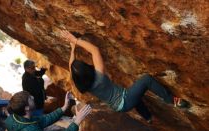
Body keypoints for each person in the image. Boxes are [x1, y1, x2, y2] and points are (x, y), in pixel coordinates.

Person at [60, 30, 189, 123]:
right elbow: (95, 50)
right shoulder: (99, 76)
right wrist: (75, 41)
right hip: (125, 100)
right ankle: (172, 100)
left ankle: (148, 118)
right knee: (146, 79)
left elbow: (71, 67)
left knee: (136, 96)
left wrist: (72, 49)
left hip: (118, 106)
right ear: (88, 70)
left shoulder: (82, 84)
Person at [5, 91, 91, 131]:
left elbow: (43, 120)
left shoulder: (14, 117)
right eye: (30, 99)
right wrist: (77, 122)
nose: (33, 97)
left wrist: (64, 108)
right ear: (26, 108)